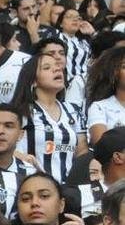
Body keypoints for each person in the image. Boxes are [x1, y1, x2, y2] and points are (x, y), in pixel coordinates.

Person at [10, 51, 87, 182]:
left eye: (58, 66)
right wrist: (20, 156)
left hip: (68, 189)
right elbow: (0, 148)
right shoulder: (21, 111)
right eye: (47, 67)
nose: (57, 69)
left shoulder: (72, 110)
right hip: (31, 184)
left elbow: (82, 153)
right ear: (33, 80)